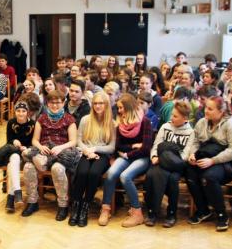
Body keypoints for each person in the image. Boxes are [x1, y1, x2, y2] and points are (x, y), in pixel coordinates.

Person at [185, 97, 232, 231]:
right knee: (190, 172)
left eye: (210, 109)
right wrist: (192, 155)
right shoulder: (202, 122)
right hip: (206, 156)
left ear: (221, 111)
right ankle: (203, 210)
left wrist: (213, 161)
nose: (206, 111)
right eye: (206, 107)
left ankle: (222, 215)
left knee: (209, 177)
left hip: (227, 162)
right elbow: (195, 142)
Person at [21, 91, 78, 220]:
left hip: (61, 152)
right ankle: (32, 202)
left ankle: (63, 205)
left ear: (63, 103)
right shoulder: (42, 118)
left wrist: (60, 147)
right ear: (47, 103)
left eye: (58, 102)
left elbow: (73, 141)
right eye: (52, 102)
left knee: (57, 169)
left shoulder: (70, 119)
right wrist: (40, 147)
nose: (55, 105)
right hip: (43, 151)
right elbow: (35, 140)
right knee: (28, 167)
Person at [101, 93, 154, 227]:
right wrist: (133, 146)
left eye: (121, 108)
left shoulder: (145, 122)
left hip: (140, 158)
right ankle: (105, 209)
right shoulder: (121, 123)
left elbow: (146, 148)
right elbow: (118, 146)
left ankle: (137, 213)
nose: (119, 111)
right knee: (111, 173)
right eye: (118, 108)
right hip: (126, 156)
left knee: (125, 176)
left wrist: (128, 154)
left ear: (129, 107)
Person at [144, 101, 195, 228]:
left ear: (185, 118)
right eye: (172, 115)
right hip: (160, 161)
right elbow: (156, 145)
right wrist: (154, 156)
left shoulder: (190, 132)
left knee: (172, 179)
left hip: (177, 164)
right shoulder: (165, 127)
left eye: (175, 116)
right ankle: (152, 211)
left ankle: (171, 214)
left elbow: (185, 154)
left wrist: (166, 160)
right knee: (151, 175)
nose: (171, 118)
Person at [69, 91, 116, 227]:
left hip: (102, 154)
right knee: (82, 173)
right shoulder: (85, 120)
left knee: (94, 173)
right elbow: (79, 140)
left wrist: (94, 149)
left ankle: (85, 207)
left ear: (106, 104)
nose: (98, 106)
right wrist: (87, 151)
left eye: (101, 103)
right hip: (86, 152)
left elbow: (111, 147)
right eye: (95, 103)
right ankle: (76, 207)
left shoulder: (111, 123)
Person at [3, 101, 36, 213]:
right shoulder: (11, 123)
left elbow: (34, 142)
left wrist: (26, 148)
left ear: (27, 113)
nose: (20, 113)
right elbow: (8, 141)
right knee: (14, 159)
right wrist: (14, 141)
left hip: (28, 152)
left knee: (10, 166)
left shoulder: (33, 124)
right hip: (14, 152)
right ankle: (17, 191)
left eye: (23, 111)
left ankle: (11, 197)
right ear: (14, 112)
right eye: (18, 111)